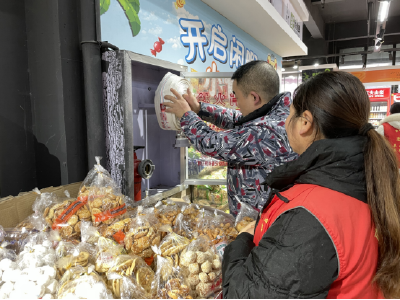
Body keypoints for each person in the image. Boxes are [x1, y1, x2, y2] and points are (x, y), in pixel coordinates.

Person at [222, 71, 400, 298]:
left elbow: (245, 295)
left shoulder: (310, 215)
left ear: (304, 122)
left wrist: (242, 242)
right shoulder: (369, 179)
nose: (285, 122)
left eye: (290, 115)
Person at [163, 61, 297, 216]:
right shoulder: (279, 116)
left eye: (237, 96)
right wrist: (200, 109)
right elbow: (238, 119)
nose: (237, 103)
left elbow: (210, 143)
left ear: (254, 97)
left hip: (258, 227)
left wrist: (186, 115)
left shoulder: (265, 131)